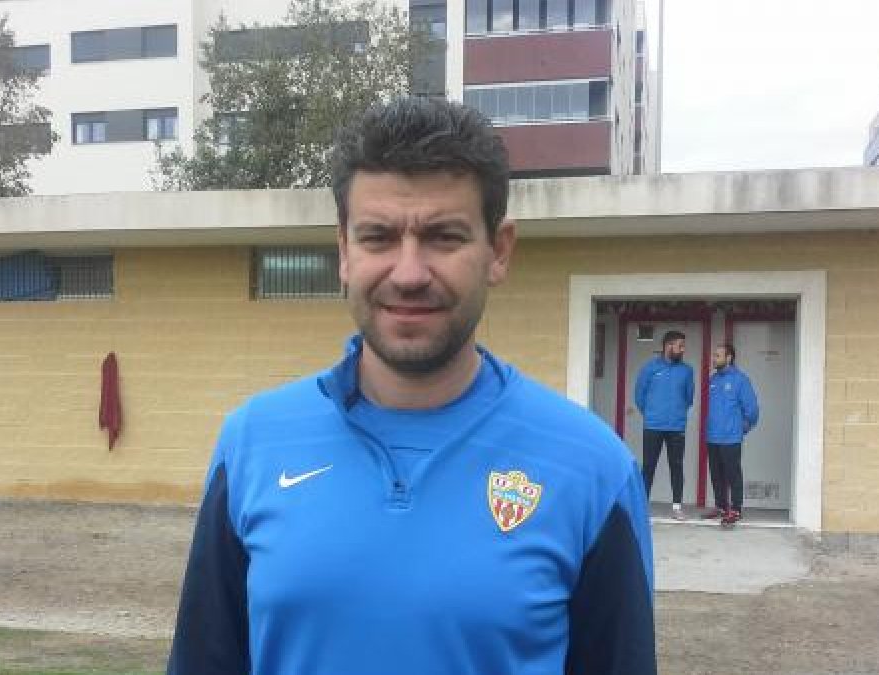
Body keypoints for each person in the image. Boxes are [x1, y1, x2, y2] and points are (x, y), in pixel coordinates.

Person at [166, 97, 655, 675]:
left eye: (443, 237)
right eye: (377, 237)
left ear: (499, 251)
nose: (408, 273)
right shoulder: (252, 442)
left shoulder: (592, 467)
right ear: (344, 251)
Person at [633, 330, 695, 519]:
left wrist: (676, 413)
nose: (683, 349)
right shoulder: (649, 368)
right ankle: (642, 508)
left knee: (676, 466)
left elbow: (689, 397)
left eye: (683, 346)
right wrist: (651, 413)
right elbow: (639, 396)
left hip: (676, 427)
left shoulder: (687, 370)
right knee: (649, 466)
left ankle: (677, 507)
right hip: (653, 426)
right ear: (668, 346)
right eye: (680, 346)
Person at [704, 344, 760, 527]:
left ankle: (736, 509)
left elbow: (752, 410)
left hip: (731, 438)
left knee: (733, 474)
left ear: (729, 358)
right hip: (713, 436)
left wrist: (742, 428)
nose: (714, 358)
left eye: (717, 355)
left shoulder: (740, 380)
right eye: (714, 355)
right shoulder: (712, 380)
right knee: (716, 474)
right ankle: (721, 506)